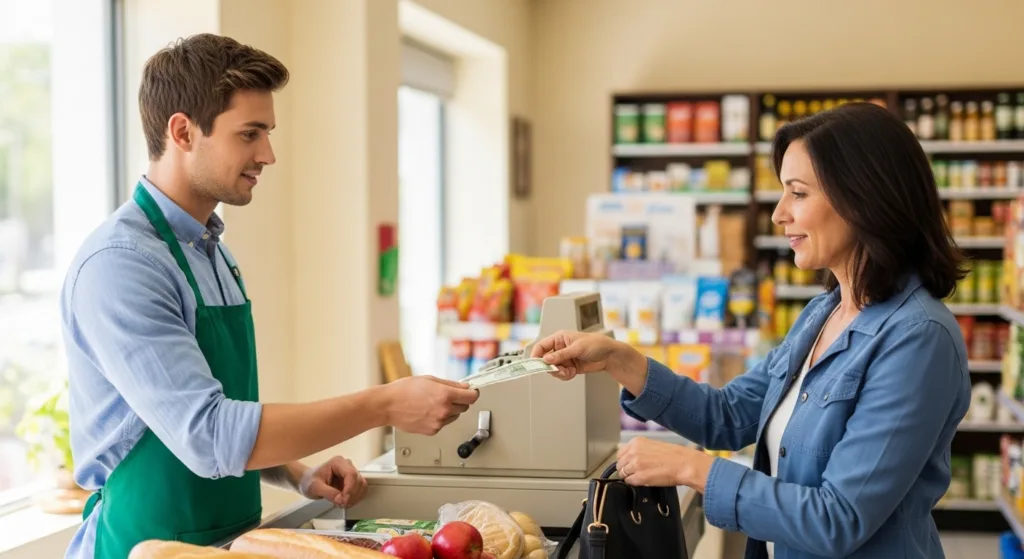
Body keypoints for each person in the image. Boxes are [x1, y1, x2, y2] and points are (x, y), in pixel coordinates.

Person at [61, 34, 479, 559]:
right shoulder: (122, 265)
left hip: (229, 541)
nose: (268, 154)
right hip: (141, 546)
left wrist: (298, 474)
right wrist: (385, 403)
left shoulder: (212, 251)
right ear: (183, 131)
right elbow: (211, 434)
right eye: (250, 134)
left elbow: (215, 407)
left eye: (267, 133)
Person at [532, 102, 971, 558]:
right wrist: (618, 359)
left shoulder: (918, 339)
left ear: (864, 198)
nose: (779, 213)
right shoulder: (823, 314)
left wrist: (694, 470)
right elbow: (726, 415)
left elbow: (839, 519)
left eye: (798, 193)